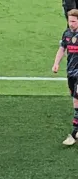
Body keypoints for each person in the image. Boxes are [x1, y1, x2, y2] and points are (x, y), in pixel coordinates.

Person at [52, 9, 78, 145]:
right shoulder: (67, 33)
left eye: (74, 21)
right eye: (69, 21)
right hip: (71, 73)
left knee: (76, 102)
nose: (71, 23)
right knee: (75, 101)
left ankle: (74, 134)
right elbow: (62, 48)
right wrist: (56, 63)